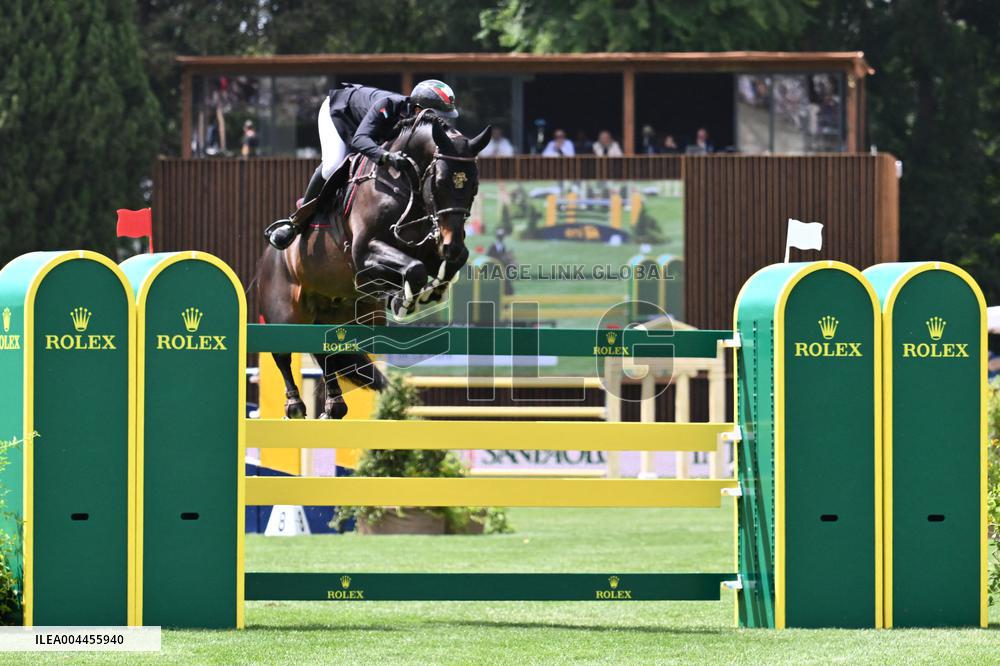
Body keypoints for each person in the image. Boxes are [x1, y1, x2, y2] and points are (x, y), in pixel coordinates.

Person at [266, 79, 460, 250]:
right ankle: (295, 223)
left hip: (367, 129)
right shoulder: (388, 106)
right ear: (418, 110)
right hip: (338, 114)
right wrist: (386, 157)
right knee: (332, 165)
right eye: (438, 116)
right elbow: (360, 140)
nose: (440, 122)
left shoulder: (416, 124)